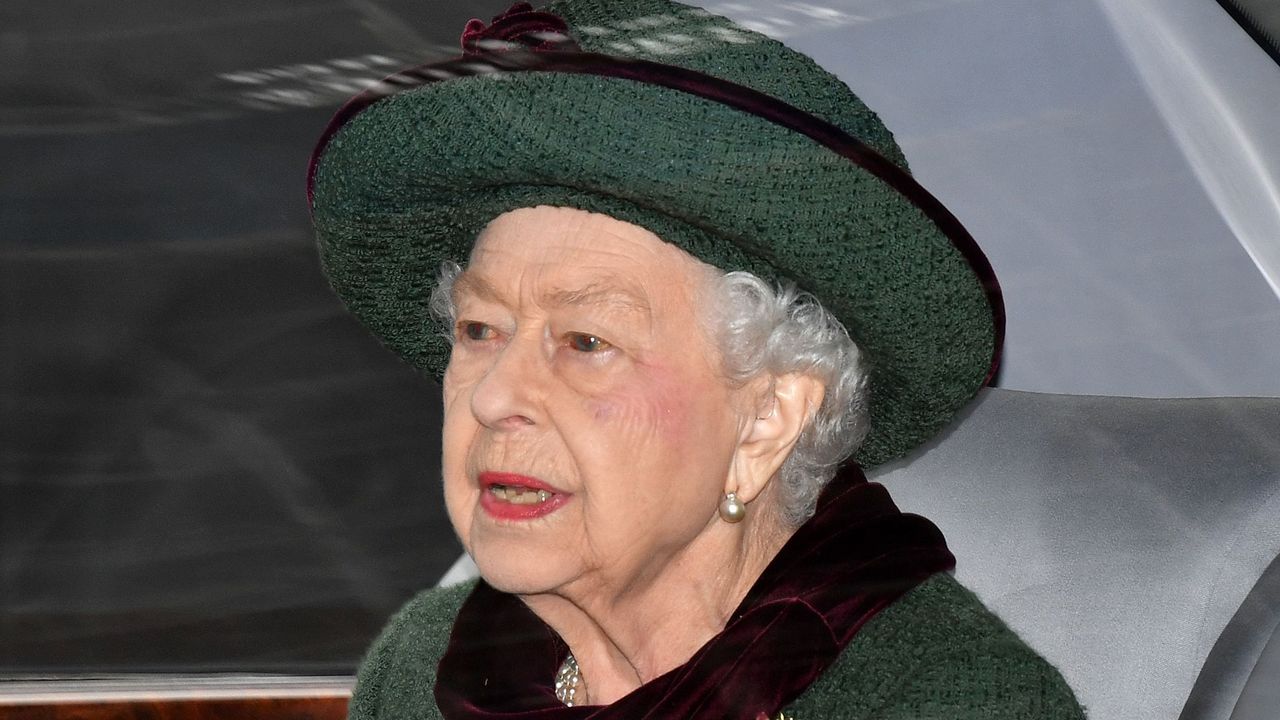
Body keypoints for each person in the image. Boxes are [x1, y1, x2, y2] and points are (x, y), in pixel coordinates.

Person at [307, 0, 1087, 717]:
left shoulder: (953, 702)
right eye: (480, 331)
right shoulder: (422, 671)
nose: (493, 396)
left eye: (586, 342)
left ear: (766, 419)